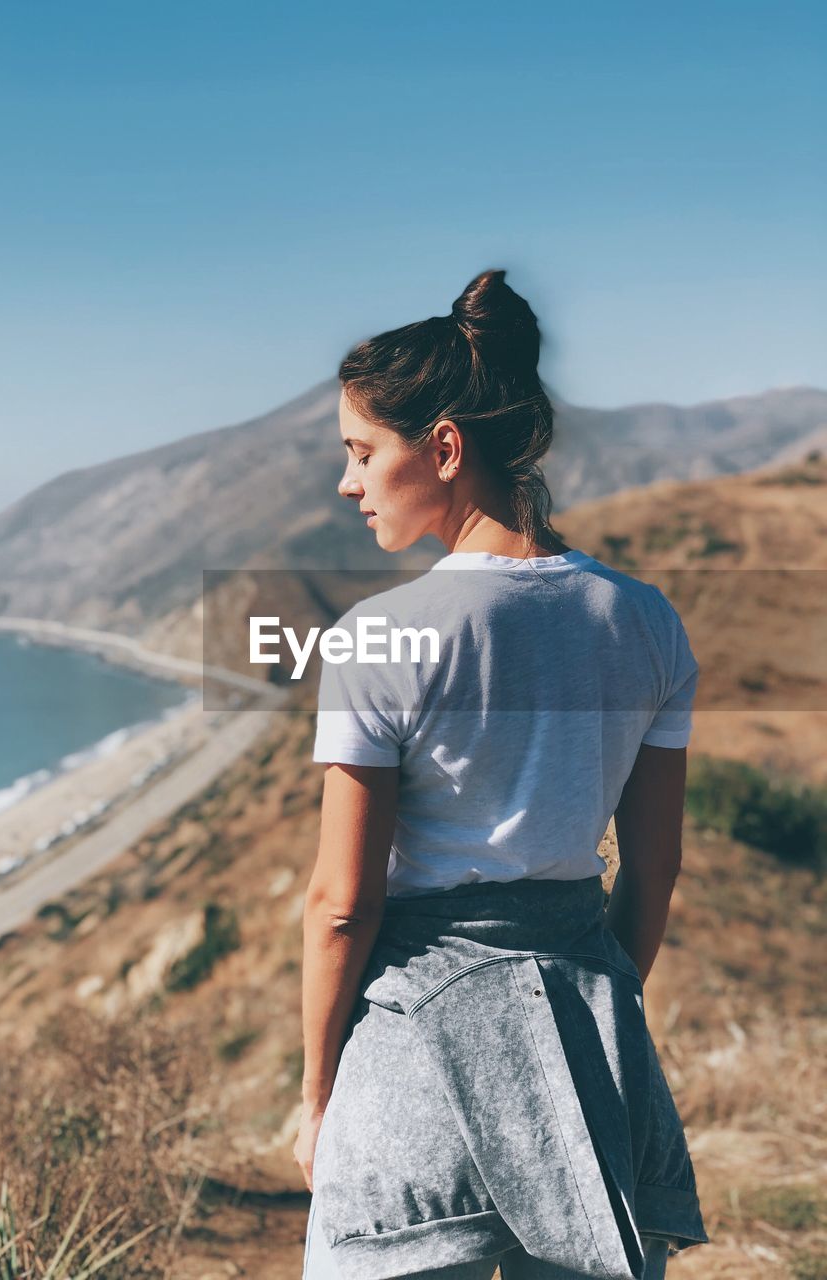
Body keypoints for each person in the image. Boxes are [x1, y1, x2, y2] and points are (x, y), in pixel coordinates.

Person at [294, 268, 710, 1280]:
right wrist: (585, 1013)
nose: (349, 483)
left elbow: (341, 903)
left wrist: (318, 1093)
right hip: (588, 1049)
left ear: (442, 446)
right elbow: (652, 876)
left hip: (411, 1064)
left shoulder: (378, 638)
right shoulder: (646, 620)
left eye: (361, 452)